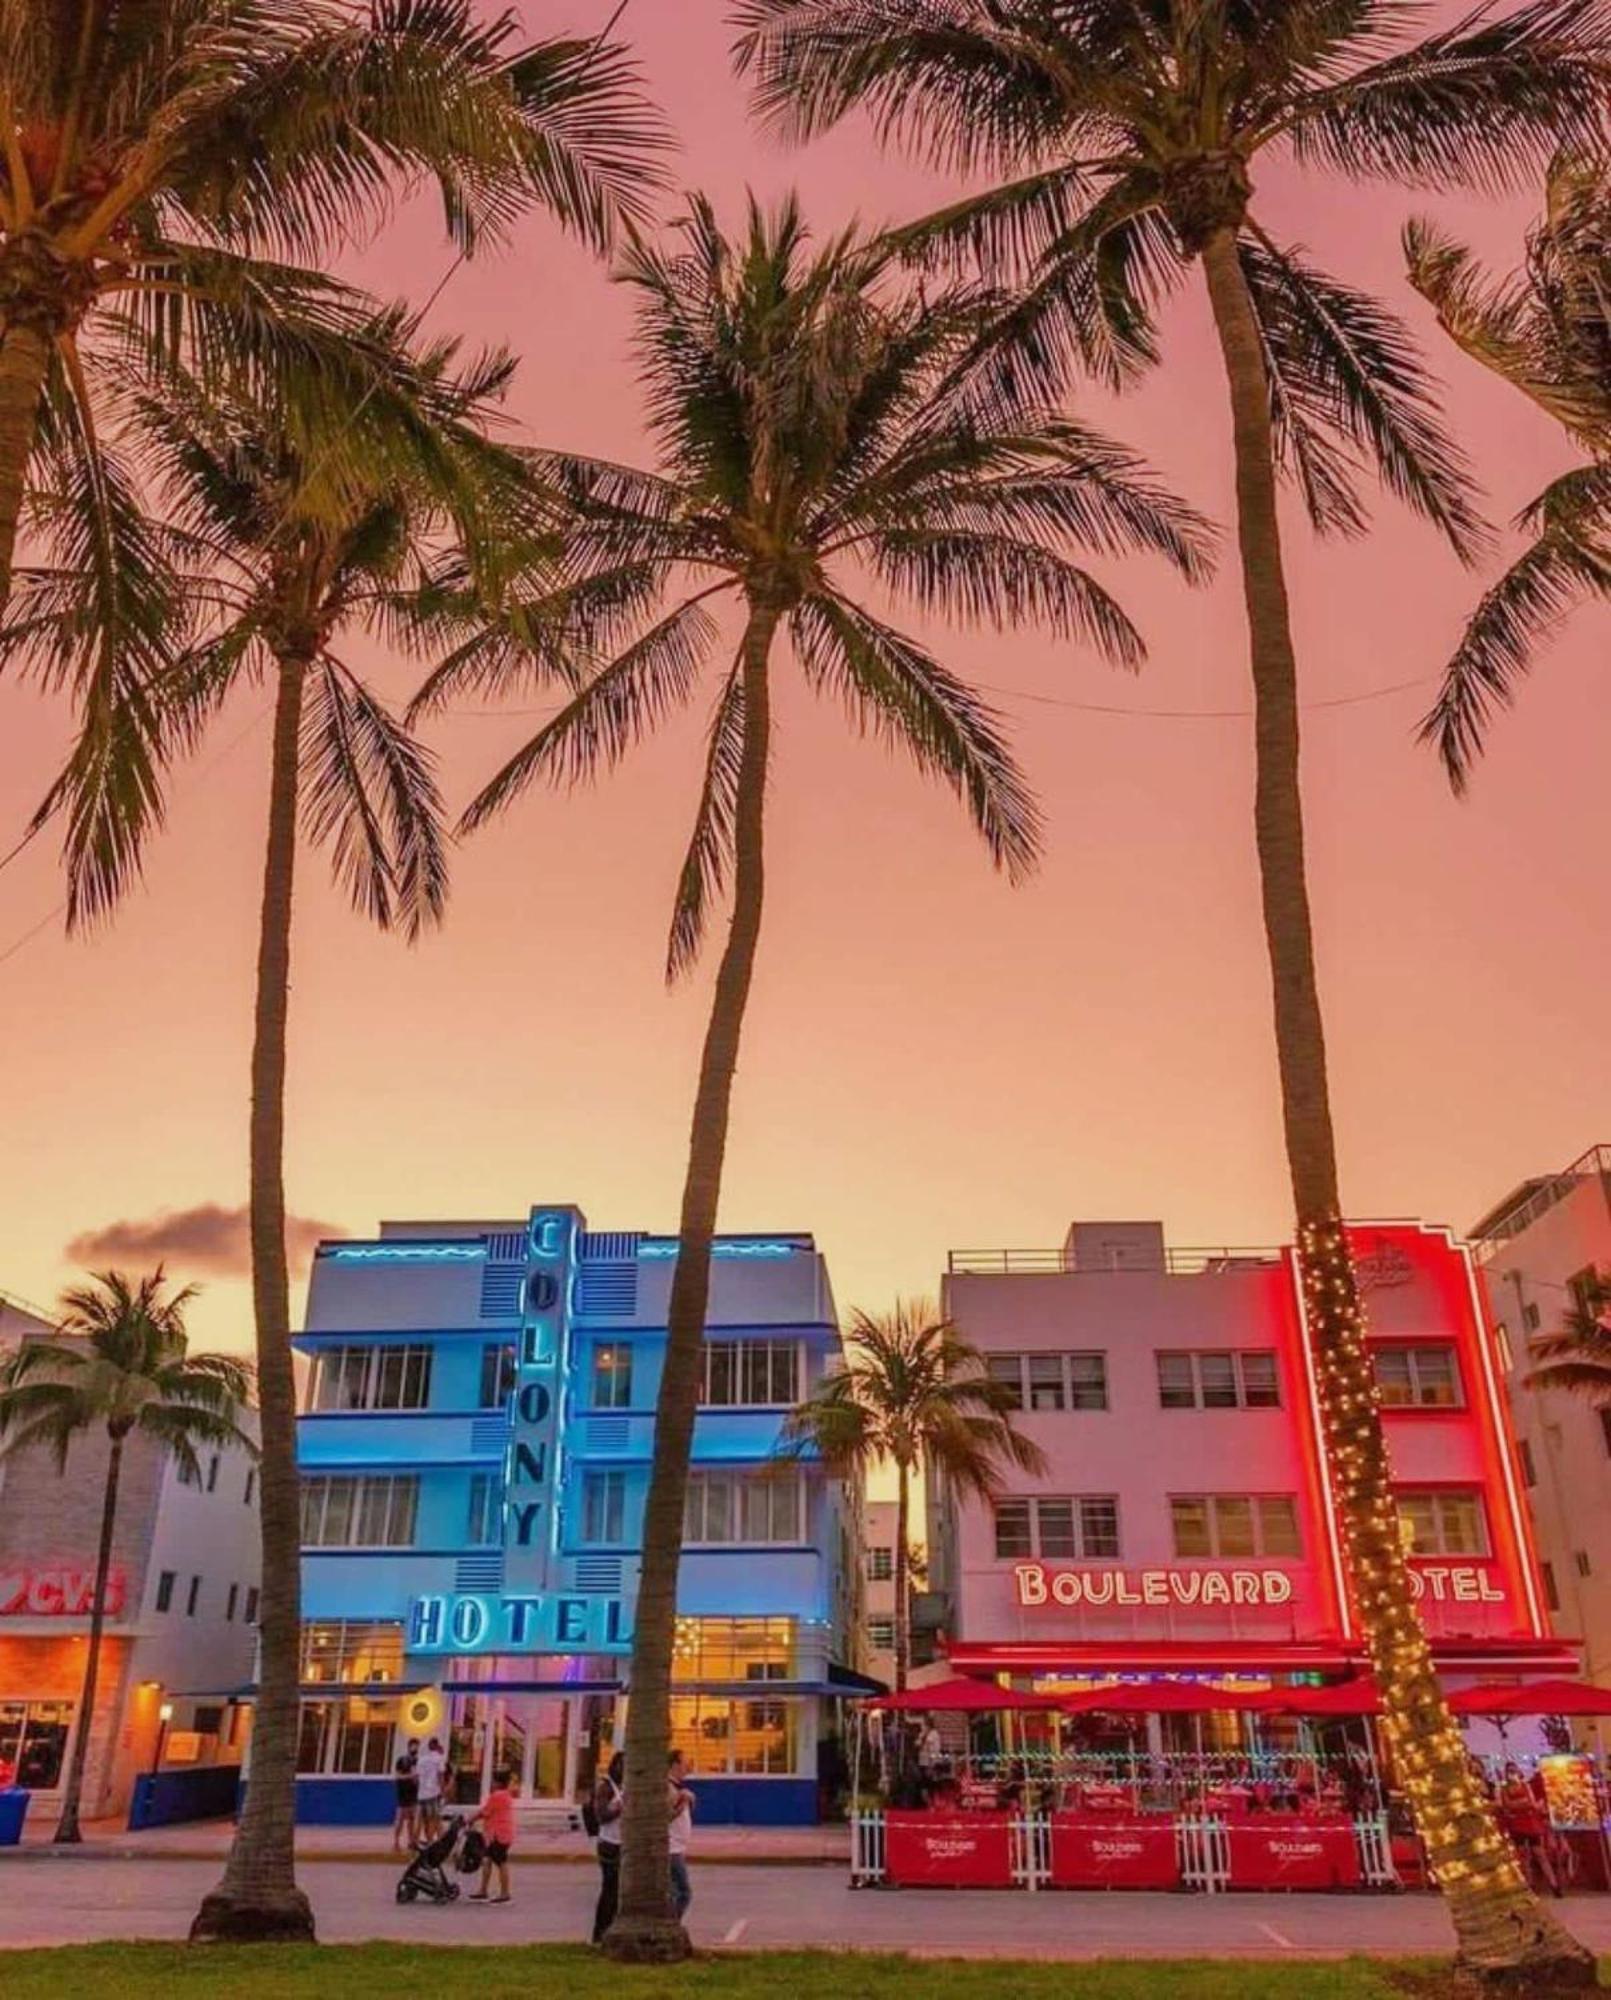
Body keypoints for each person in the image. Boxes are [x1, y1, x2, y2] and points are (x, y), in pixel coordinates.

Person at [1497, 1761, 1561, 1896]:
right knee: (1523, 1856)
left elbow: (1531, 1802)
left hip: (1530, 1823)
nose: (1512, 1774)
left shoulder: (1526, 1786)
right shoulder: (1503, 1789)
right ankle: (1529, 1885)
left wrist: (1520, 1804)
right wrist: (1523, 1803)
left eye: (1514, 1770)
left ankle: (1554, 1884)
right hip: (1517, 1824)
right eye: (1509, 1771)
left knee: (1539, 1853)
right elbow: (1507, 1805)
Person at [467, 1767, 516, 1904]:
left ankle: (505, 1893)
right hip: (501, 1833)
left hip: (499, 1835)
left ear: (499, 1783)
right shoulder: (506, 1795)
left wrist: (469, 1820)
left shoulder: (497, 1796)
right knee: (487, 1860)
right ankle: (483, 1890)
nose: (492, 1783)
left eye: (494, 1781)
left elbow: (484, 1812)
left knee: (501, 1862)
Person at [590, 1751, 624, 1946]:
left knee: (619, 1891)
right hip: (609, 1844)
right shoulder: (606, 1788)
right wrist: (618, 1808)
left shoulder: (623, 1787)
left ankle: (611, 1929)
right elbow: (601, 1815)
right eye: (622, 1766)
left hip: (621, 1843)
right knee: (610, 1890)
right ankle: (600, 1932)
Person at [668, 1750, 695, 1921]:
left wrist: (688, 1801)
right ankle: (671, 1925)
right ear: (675, 1765)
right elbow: (666, 1815)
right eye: (685, 1763)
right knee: (683, 1892)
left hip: (678, 1846)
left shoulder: (677, 1788)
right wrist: (682, 1801)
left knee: (675, 1891)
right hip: (671, 1848)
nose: (688, 1767)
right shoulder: (667, 1787)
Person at [415, 1735, 447, 1839]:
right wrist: (443, 1793)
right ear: (437, 1746)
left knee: (423, 1819)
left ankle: (415, 1840)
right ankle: (430, 1840)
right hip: (433, 1793)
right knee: (433, 1818)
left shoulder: (422, 1759)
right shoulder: (439, 1758)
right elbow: (440, 1776)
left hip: (421, 1794)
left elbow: (416, 1777)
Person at [391, 1739, 420, 1853]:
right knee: (400, 1819)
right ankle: (396, 1841)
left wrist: (416, 1779)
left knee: (412, 1819)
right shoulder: (401, 1761)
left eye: (417, 1747)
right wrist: (410, 1776)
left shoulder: (418, 1761)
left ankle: (411, 1841)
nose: (415, 1749)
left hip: (413, 1793)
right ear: (409, 1747)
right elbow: (398, 1776)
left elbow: (417, 1778)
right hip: (403, 1793)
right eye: (413, 1746)